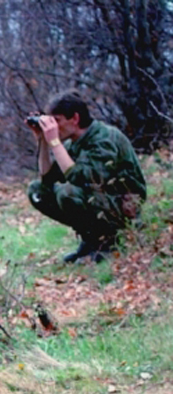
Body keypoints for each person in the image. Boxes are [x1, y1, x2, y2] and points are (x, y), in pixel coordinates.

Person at [26, 90, 147, 264]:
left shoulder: (104, 139)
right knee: (38, 191)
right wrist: (43, 141)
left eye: (57, 120)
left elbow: (83, 178)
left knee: (68, 193)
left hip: (123, 204)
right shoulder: (74, 143)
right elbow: (48, 179)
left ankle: (108, 244)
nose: (53, 127)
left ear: (75, 118)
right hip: (101, 200)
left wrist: (55, 143)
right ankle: (90, 241)